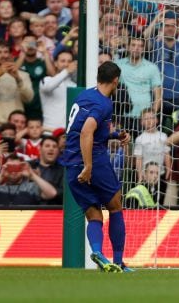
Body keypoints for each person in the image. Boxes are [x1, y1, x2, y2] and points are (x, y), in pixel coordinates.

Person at [62, 61, 132, 273]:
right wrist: (89, 166)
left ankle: (98, 252)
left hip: (71, 163)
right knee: (116, 205)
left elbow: (80, 129)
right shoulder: (104, 103)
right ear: (116, 80)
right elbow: (86, 132)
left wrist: (113, 134)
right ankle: (119, 262)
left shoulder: (84, 95)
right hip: (93, 160)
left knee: (93, 213)